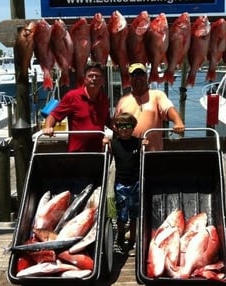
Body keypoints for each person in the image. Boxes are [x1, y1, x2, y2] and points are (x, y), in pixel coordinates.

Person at [114, 63, 185, 151]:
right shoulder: (123, 100)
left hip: (152, 153)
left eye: (141, 74)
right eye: (134, 75)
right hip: (129, 153)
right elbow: (115, 125)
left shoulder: (157, 95)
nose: (138, 77)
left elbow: (169, 109)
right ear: (130, 78)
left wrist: (178, 122)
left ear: (146, 76)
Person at [43, 63, 111, 152]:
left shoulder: (104, 99)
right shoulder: (72, 96)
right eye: (91, 76)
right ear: (84, 79)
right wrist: (48, 127)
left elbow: (108, 122)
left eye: (97, 76)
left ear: (102, 80)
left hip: (98, 153)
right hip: (76, 153)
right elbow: (53, 115)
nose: (94, 78)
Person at [103, 112, 141, 256]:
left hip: (136, 184)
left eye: (127, 126)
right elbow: (106, 152)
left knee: (134, 215)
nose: (124, 129)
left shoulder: (138, 142)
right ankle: (119, 238)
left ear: (133, 127)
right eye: (120, 126)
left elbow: (145, 150)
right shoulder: (113, 143)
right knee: (120, 215)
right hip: (120, 185)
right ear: (116, 128)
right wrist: (105, 143)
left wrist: (145, 144)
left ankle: (132, 239)